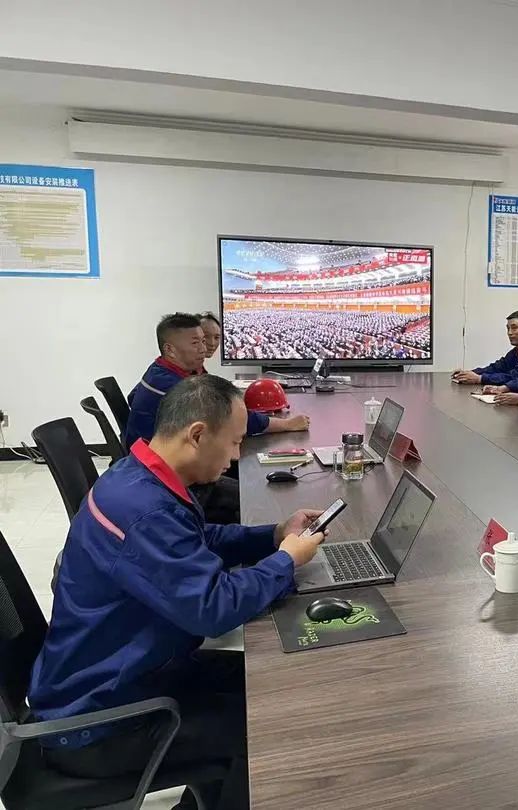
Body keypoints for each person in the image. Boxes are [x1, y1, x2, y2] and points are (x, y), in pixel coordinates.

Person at [29, 375, 327, 810]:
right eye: (234, 443)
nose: (236, 455)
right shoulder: (144, 511)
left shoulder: (137, 477)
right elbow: (214, 608)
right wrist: (285, 560)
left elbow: (199, 541)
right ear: (198, 435)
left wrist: (274, 535)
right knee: (268, 724)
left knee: (271, 685)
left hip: (131, 675)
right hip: (99, 721)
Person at [125, 313, 310, 450]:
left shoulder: (162, 370)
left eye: (203, 341)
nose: (204, 348)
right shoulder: (172, 385)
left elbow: (132, 397)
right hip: (162, 471)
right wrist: (287, 424)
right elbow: (227, 417)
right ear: (170, 350)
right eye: (195, 343)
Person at [451, 310, 518, 385]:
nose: (509, 333)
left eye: (514, 328)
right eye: (508, 328)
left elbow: (514, 377)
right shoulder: (517, 350)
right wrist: (470, 373)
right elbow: (497, 367)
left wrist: (480, 378)